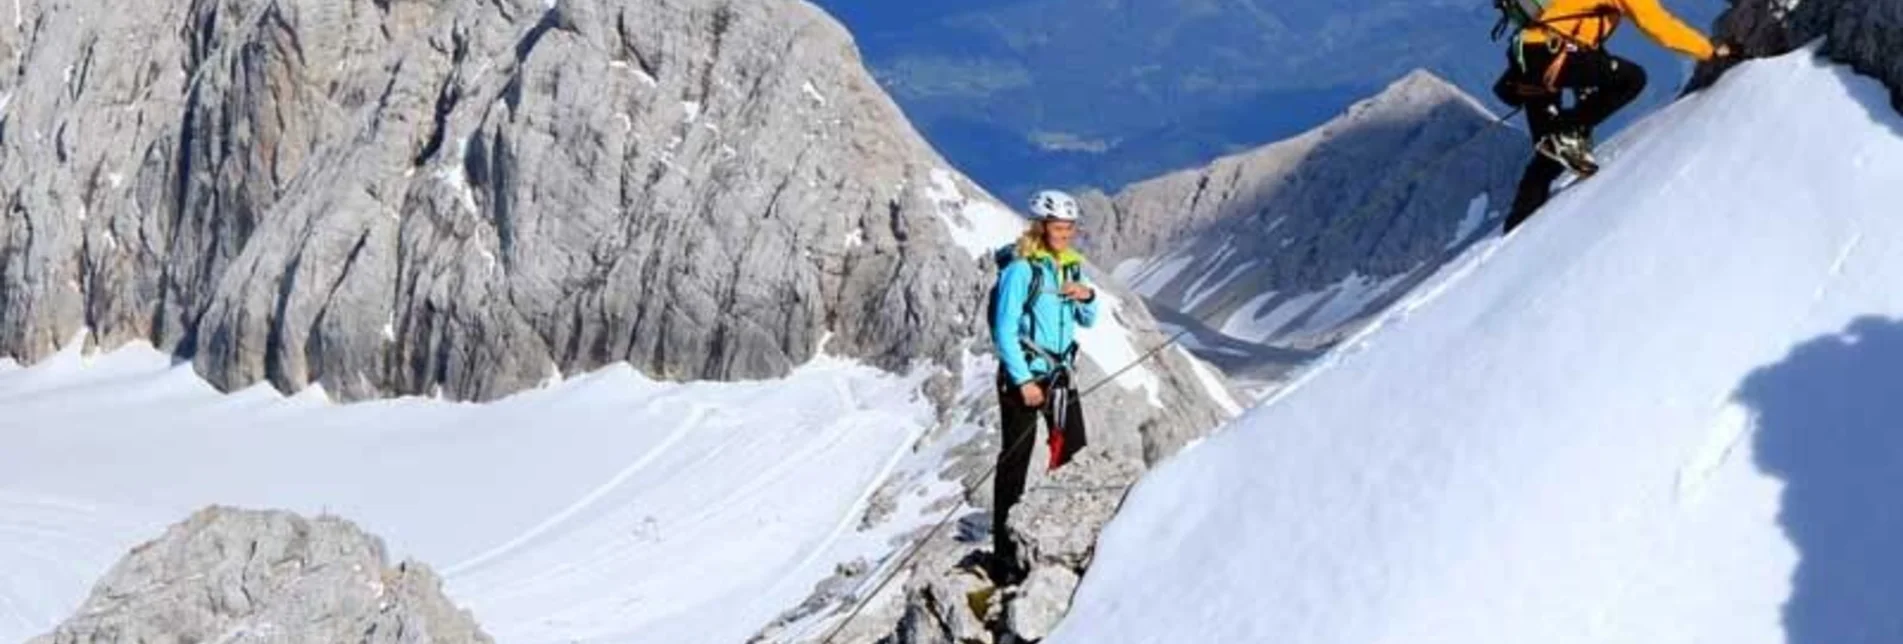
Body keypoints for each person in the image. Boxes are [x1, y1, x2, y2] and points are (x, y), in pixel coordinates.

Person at [1492, 0, 1733, 233]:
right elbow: (1660, 26)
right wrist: (1710, 51)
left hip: (1528, 57)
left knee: (1548, 154)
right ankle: (1564, 133)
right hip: (1554, 54)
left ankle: (1514, 231)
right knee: (1631, 79)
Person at [987, 189, 1098, 583]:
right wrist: (1023, 381)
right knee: (1015, 461)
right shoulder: (1021, 270)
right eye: (1057, 226)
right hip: (1026, 379)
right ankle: (1004, 556)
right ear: (1040, 226)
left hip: (1060, 377)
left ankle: (1066, 540)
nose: (1065, 233)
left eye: (1069, 227)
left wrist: (1086, 295)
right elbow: (1003, 330)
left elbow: (1087, 319)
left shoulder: (1070, 267)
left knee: (1075, 454)